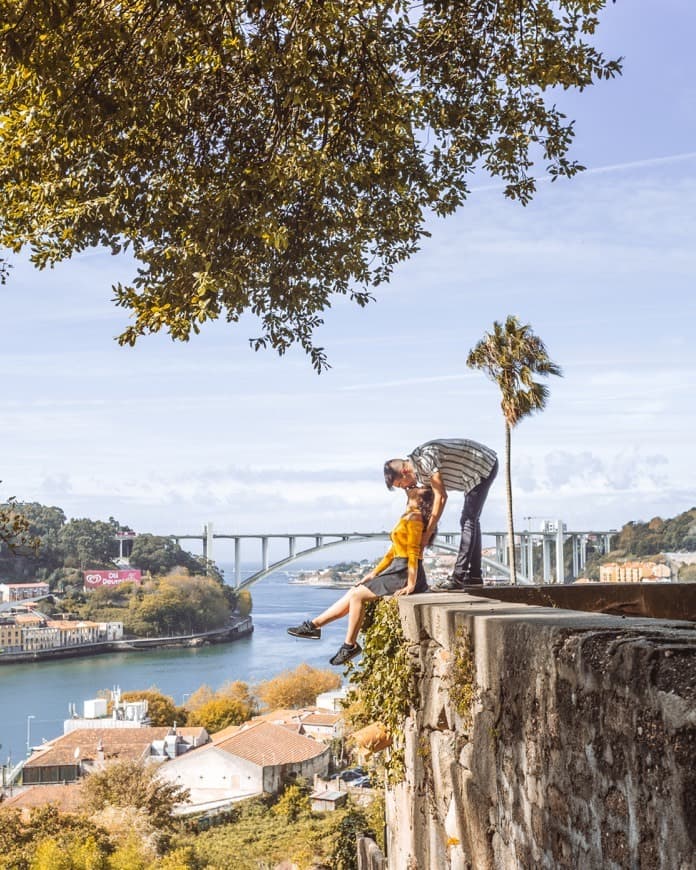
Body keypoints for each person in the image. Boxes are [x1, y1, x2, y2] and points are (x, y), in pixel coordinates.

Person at [286, 486, 434, 666]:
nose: (413, 488)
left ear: (420, 500)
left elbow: (413, 552)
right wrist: (373, 573)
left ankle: (349, 645)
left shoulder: (416, 518)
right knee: (353, 591)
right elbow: (392, 552)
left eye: (418, 489)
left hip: (405, 572)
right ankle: (314, 626)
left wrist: (411, 584)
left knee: (357, 596)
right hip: (397, 567)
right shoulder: (407, 517)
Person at [383, 438, 498, 590]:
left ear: (404, 472)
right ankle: (475, 576)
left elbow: (441, 497)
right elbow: (427, 505)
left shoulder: (425, 459)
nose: (405, 488)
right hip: (471, 473)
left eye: (400, 485)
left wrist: (428, 533)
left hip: (481, 465)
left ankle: (458, 577)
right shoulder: (421, 475)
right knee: (471, 520)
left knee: (468, 520)